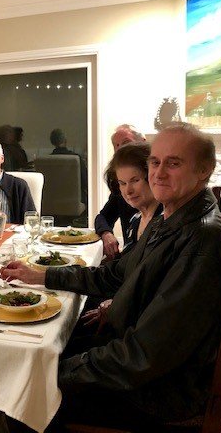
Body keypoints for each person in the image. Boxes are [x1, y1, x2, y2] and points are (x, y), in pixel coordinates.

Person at [1, 123, 221, 430]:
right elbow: (111, 276)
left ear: (204, 170)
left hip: (159, 392)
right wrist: (43, 275)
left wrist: (53, 373)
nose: (159, 173)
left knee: (22, 397)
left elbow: (145, 355)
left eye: (174, 163)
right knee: (38, 349)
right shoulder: (169, 219)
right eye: (155, 162)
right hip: (136, 358)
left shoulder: (203, 242)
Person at [80, 142, 162, 331]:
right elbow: (122, 274)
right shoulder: (137, 219)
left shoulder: (163, 224)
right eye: (122, 183)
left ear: (153, 177)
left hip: (137, 322)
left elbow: (150, 287)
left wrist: (115, 303)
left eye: (135, 181)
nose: (128, 191)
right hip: (124, 300)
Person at [94, 124, 146, 260]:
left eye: (125, 142)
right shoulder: (120, 190)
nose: (120, 149)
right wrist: (106, 233)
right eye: (116, 145)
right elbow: (102, 217)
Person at [50, 128, 88, 205]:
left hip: (52, 203)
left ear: (52, 142)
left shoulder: (47, 161)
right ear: (65, 140)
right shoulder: (76, 159)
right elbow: (86, 182)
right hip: (75, 202)